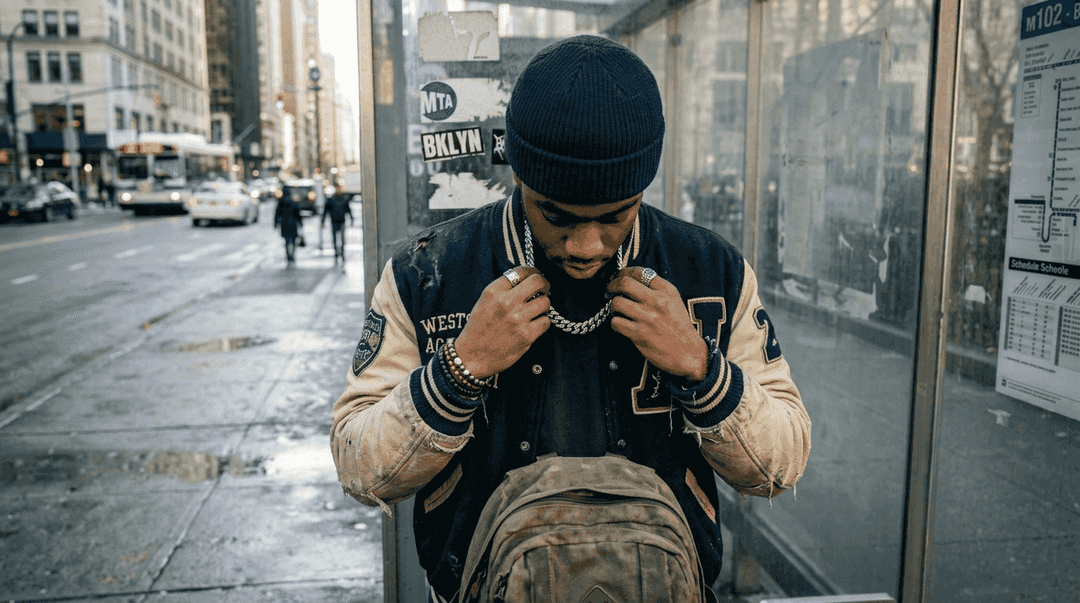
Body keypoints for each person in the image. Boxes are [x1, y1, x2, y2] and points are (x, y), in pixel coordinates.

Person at [331, 35, 810, 601]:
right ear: (518, 176)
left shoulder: (711, 270)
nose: (585, 244)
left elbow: (783, 461)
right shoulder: (428, 273)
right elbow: (360, 466)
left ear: (642, 188)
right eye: (555, 215)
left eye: (615, 216)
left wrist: (702, 371)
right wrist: (461, 369)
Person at [321, 185, 355, 265]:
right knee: (335, 239)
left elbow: (348, 210)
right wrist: (323, 222)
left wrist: (351, 220)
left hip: (342, 221)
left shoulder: (344, 199)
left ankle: (342, 255)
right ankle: (336, 254)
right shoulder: (331, 200)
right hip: (334, 221)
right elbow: (326, 211)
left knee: (343, 239)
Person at [274, 190, 303, 266]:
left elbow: (277, 214)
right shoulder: (293, 203)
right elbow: (298, 215)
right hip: (293, 224)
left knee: (287, 241)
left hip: (284, 224)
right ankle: (292, 254)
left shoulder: (281, 203)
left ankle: (288, 256)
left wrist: (276, 223)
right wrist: (300, 224)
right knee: (293, 241)